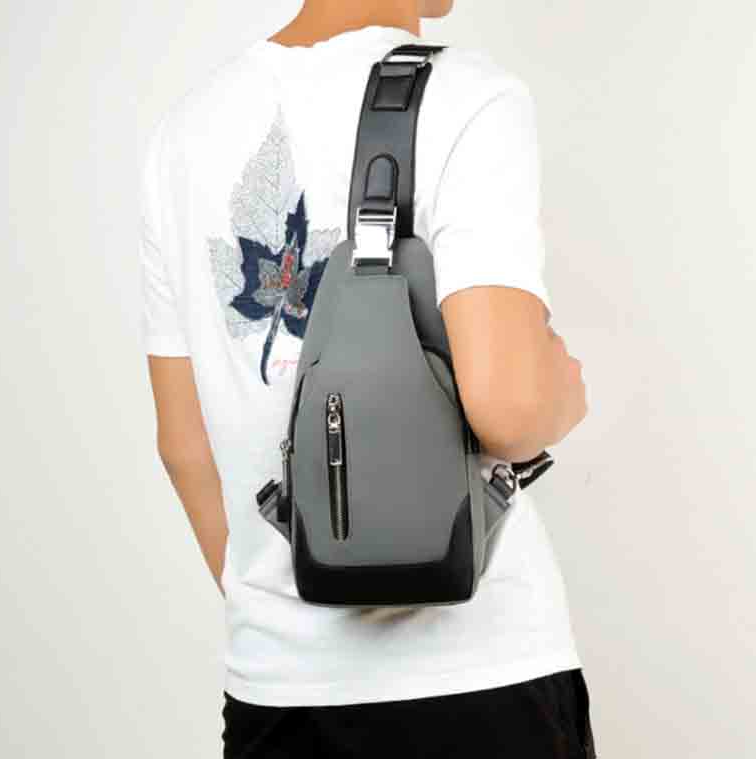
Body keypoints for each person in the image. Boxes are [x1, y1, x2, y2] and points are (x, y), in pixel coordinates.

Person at [140, 0, 594, 756]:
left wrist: (288, 611)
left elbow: (185, 445)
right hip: (477, 680)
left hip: (275, 695)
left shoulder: (182, 134)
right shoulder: (469, 95)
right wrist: (568, 389)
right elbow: (512, 407)